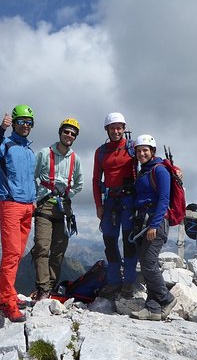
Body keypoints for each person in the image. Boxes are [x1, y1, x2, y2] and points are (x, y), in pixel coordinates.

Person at [0, 105, 36, 322]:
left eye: (29, 122)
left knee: (17, 253)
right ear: (14, 122)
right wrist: (0, 130)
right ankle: (7, 302)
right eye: (22, 121)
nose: (26, 126)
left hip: (27, 207)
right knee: (12, 254)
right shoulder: (6, 144)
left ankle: (6, 294)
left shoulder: (29, 151)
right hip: (10, 205)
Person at [30, 118, 84, 301]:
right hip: (44, 205)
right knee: (42, 247)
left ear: (75, 137)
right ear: (60, 132)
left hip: (64, 209)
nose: (69, 135)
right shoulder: (45, 154)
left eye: (72, 134)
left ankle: (51, 287)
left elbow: (80, 183)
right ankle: (43, 288)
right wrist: (34, 198)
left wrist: (68, 194)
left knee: (59, 250)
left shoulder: (75, 159)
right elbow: (33, 175)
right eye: (66, 132)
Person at [128, 135, 177, 321]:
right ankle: (153, 308)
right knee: (148, 263)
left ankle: (166, 299)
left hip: (155, 223)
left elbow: (164, 199)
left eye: (145, 150)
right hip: (143, 221)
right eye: (139, 151)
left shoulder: (160, 170)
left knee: (148, 263)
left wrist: (154, 225)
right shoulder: (144, 171)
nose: (141, 153)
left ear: (152, 151)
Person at [92, 112, 138, 299]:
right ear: (107, 130)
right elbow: (96, 179)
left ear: (124, 129)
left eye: (119, 127)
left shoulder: (133, 147)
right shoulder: (101, 152)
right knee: (110, 243)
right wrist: (98, 205)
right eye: (112, 128)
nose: (116, 131)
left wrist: (172, 168)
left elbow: (150, 160)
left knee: (129, 242)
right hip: (110, 201)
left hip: (129, 200)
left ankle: (128, 281)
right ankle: (114, 281)